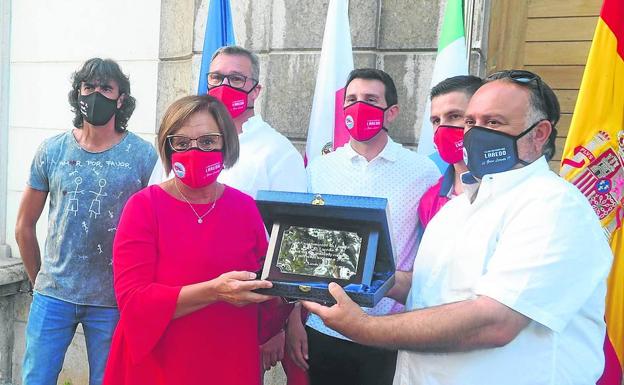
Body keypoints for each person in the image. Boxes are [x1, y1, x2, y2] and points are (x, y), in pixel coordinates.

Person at [303, 70, 613, 385]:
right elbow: (428, 292)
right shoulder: (457, 207)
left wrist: (364, 328)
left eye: (493, 123)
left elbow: (495, 322)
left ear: (539, 134)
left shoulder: (552, 206)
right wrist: (363, 268)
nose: (475, 134)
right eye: (470, 122)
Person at [102, 95, 292, 385]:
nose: (194, 150)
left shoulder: (245, 208)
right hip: (158, 365)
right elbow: (133, 302)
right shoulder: (143, 207)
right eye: (181, 142)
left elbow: (269, 283)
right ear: (168, 147)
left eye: (207, 141)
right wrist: (214, 291)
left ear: (225, 144)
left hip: (229, 360)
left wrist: (294, 293)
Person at [287, 68, 440, 385]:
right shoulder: (320, 168)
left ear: (392, 112)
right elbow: (299, 248)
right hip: (326, 326)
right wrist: (294, 321)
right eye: (352, 99)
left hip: (390, 331)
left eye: (371, 100)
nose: (359, 106)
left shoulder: (423, 172)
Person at [14, 58, 157, 385]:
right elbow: (24, 224)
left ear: (121, 98)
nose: (96, 94)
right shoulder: (52, 150)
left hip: (112, 300)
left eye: (106, 88)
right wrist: (39, 281)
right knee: (36, 378)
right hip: (53, 296)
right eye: (88, 87)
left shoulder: (143, 156)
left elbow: (155, 228)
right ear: (77, 93)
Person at [206, 45, 308, 381]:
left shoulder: (276, 152)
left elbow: (293, 242)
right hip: (190, 301)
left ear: (256, 89)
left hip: (247, 309)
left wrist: (277, 325)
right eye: (217, 77)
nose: (225, 85)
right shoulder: (192, 138)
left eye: (236, 78)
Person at [417, 75, 483, 229]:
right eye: (436, 121)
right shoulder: (430, 200)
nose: (442, 128)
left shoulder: (507, 189)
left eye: (454, 116)